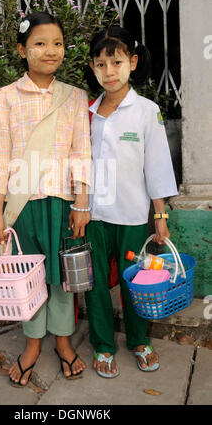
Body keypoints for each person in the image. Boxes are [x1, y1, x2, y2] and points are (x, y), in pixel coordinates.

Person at [0, 11, 91, 387]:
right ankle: (31, 345)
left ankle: (62, 341)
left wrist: (82, 203)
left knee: (62, 278)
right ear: (21, 50)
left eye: (57, 43)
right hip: (22, 206)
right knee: (28, 278)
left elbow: (81, 153)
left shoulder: (75, 97)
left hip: (62, 203)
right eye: (40, 44)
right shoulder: (1, 100)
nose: (50, 51)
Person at [84, 25, 178, 378]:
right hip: (92, 214)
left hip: (135, 215)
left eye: (117, 62)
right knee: (94, 285)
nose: (109, 72)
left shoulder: (146, 111)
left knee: (137, 282)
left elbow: (156, 166)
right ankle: (103, 345)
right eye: (101, 64)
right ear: (93, 67)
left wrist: (160, 214)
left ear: (133, 63)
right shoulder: (87, 112)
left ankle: (139, 341)